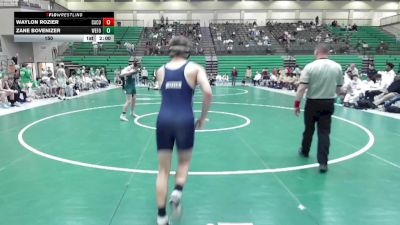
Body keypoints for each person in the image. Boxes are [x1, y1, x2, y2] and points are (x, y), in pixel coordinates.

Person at [154, 36, 212, 225]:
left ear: (170, 50)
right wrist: (203, 117)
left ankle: (161, 216)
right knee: (184, 160)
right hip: (184, 119)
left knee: (163, 170)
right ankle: (177, 190)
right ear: (188, 50)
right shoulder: (195, 68)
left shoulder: (160, 70)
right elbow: (208, 92)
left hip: (163, 120)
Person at [294, 44, 343, 173]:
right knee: (324, 132)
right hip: (328, 103)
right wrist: (338, 95)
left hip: (312, 103)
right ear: (328, 52)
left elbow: (302, 88)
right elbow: (339, 89)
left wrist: (296, 104)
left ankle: (304, 151)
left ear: (316, 52)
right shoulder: (337, 67)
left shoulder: (310, 67)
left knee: (308, 130)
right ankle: (323, 163)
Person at [119, 57, 140, 122]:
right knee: (128, 101)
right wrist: (131, 72)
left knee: (134, 100)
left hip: (133, 85)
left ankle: (132, 112)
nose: (139, 63)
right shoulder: (128, 68)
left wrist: (134, 71)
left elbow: (136, 71)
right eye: (138, 62)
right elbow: (122, 74)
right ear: (135, 62)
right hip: (128, 86)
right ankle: (122, 115)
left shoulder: (137, 67)